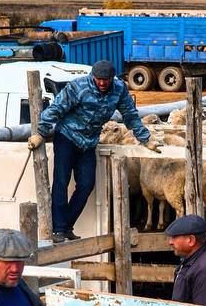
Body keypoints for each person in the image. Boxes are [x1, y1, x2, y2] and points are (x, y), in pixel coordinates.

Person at [30, 59, 160, 243]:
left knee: (86, 184)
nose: (102, 83)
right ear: (93, 76)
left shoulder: (119, 90)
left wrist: (145, 139)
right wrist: (41, 133)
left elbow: (130, 115)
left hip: (89, 142)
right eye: (98, 79)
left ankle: (65, 224)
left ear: (111, 78)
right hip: (67, 136)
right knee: (61, 180)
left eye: (105, 80)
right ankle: (59, 228)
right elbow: (57, 108)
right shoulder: (78, 87)